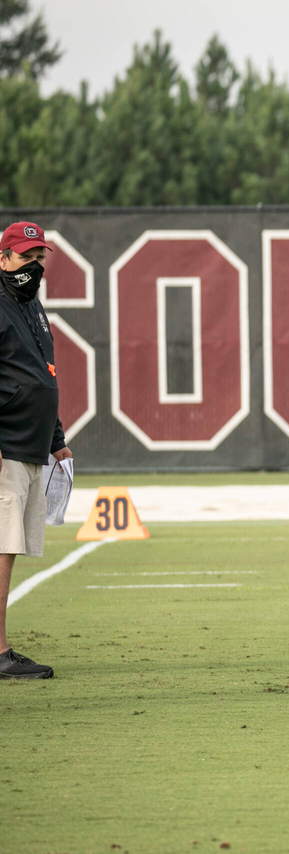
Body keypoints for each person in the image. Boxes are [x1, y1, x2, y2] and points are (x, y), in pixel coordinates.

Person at [0, 221, 72, 679]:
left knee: (10, 548)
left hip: (30, 445)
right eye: (26, 257)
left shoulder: (32, 306)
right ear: (3, 258)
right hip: (7, 444)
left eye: (39, 257)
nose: (35, 265)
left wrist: (57, 439)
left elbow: (44, 374)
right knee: (1, 548)